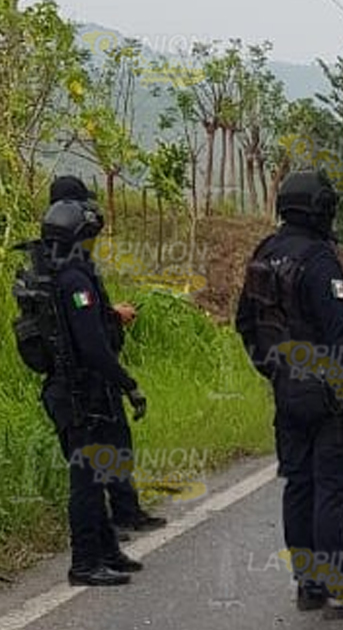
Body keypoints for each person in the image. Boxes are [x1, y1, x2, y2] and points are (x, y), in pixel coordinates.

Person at [236, 170, 343, 619]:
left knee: (299, 485)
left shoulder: (265, 255)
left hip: (288, 395)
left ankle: (309, 584)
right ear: (321, 207)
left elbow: (245, 325)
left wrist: (276, 374)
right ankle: (341, 588)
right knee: (332, 489)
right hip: (331, 398)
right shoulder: (320, 261)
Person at [36, 198, 147, 586]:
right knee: (86, 482)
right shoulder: (75, 281)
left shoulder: (55, 273)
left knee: (96, 474)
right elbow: (93, 345)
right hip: (78, 395)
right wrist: (127, 383)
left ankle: (107, 551)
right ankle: (84, 562)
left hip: (70, 391)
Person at [48, 176, 165, 538]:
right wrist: (126, 382)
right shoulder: (71, 272)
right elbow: (88, 338)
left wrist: (111, 314)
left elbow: (81, 318)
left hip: (86, 379)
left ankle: (125, 513)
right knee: (88, 470)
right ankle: (94, 548)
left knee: (114, 443)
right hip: (84, 381)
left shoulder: (59, 260)